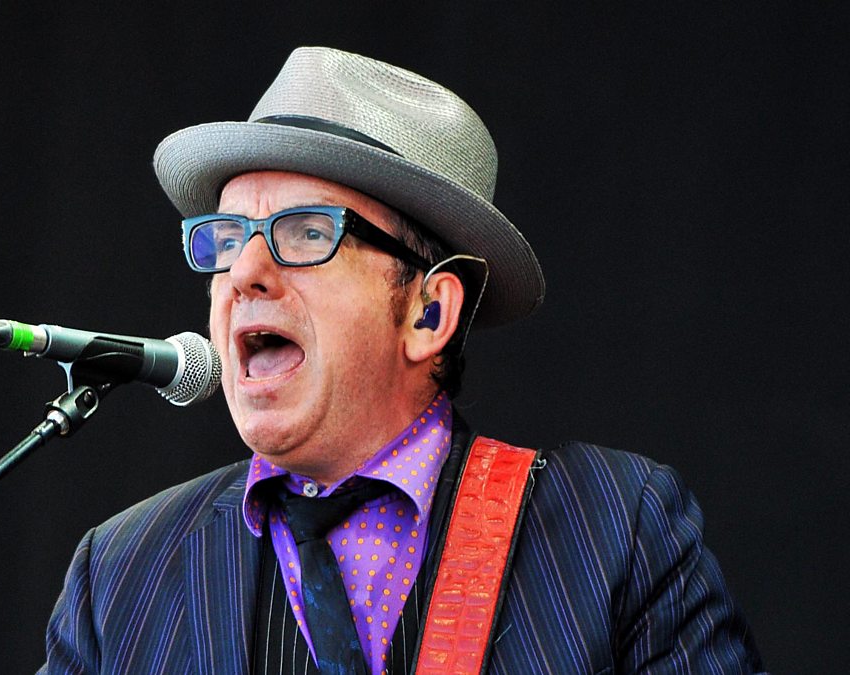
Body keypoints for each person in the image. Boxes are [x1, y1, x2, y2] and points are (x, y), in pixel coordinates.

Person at [38, 46, 764, 674]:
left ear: (429, 312)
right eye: (227, 239)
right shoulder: (121, 572)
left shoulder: (614, 529)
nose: (244, 273)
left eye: (306, 232)